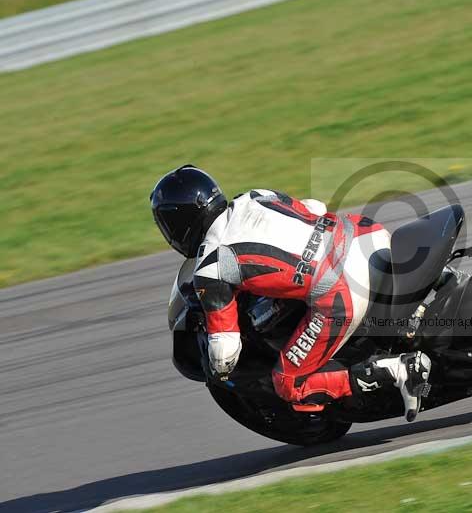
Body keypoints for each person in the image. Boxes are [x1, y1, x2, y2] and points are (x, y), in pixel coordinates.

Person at [150, 165, 431, 421]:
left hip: (340, 291)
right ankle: (424, 303)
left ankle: (398, 371)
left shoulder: (211, 267)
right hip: (365, 236)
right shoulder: (253, 196)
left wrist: (218, 369)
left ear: (179, 223)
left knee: (288, 383)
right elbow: (315, 207)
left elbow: (226, 348)